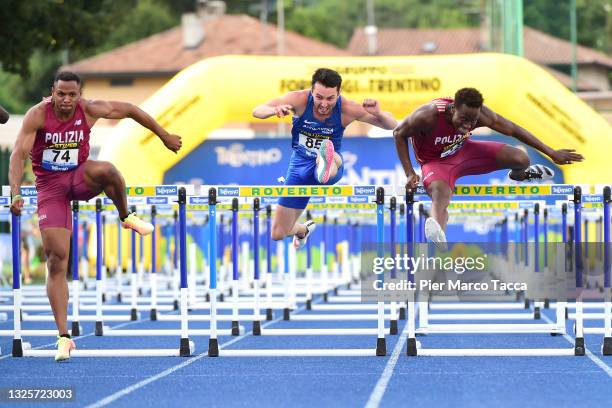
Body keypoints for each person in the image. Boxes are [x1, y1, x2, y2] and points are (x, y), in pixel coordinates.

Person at [8, 71, 182, 361]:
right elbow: (17, 155)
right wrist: (15, 193)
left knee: (109, 170)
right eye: (60, 94)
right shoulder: (37, 115)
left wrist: (163, 136)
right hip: (51, 189)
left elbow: (130, 110)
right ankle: (64, 336)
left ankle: (126, 216)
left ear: (79, 95)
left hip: (79, 177)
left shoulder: (89, 110)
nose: (65, 100)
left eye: (71, 94)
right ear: (52, 91)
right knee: (56, 258)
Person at [393, 87, 583, 246]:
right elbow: (398, 134)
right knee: (440, 193)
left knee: (521, 158)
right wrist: (410, 173)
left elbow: (514, 130)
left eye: (473, 121)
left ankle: (518, 176)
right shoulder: (428, 115)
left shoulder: (481, 114)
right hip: (435, 162)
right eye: (464, 119)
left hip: (465, 152)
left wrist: (551, 152)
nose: (468, 125)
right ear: (452, 109)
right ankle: (437, 231)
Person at [252, 68, 397, 248]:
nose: (324, 104)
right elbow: (257, 111)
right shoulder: (298, 99)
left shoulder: (347, 108)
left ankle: (325, 163)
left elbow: (392, 124)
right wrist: (274, 110)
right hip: (299, 167)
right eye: (319, 97)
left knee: (331, 157)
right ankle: (302, 230)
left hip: (332, 166)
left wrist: (379, 113)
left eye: (330, 98)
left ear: (339, 94)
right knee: (278, 233)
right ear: (312, 90)